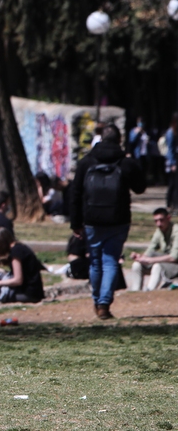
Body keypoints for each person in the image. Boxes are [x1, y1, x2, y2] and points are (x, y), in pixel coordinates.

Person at [70, 124, 146, 319]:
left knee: (95, 262)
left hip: (91, 219)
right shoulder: (125, 163)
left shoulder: (86, 162)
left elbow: (76, 193)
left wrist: (75, 222)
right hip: (118, 219)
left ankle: (97, 300)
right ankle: (104, 302)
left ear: (100, 138)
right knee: (111, 261)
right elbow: (140, 188)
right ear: (119, 140)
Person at [126, 207, 178, 291]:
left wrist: (151, 260)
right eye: (156, 221)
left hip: (175, 265)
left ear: (168, 218)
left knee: (157, 266)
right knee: (136, 265)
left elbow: (174, 257)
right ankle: (136, 292)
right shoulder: (159, 231)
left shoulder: (176, 231)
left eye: (161, 220)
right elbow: (150, 250)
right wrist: (140, 257)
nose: (158, 224)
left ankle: (149, 291)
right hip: (167, 264)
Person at [167, 113, 178, 207]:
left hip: (175, 159)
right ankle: (171, 202)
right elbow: (170, 149)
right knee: (173, 183)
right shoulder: (171, 132)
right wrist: (172, 163)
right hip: (173, 161)